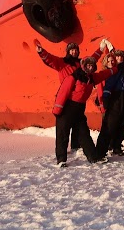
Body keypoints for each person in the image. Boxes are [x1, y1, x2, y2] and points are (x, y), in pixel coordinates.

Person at [35, 38, 112, 167]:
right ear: (67, 51)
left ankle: (92, 156)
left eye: (76, 50)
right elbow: (50, 60)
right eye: (72, 50)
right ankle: (61, 159)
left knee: (83, 132)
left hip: (79, 105)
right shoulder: (63, 64)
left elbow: (92, 60)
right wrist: (41, 51)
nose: (74, 52)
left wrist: (100, 49)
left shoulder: (83, 67)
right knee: (63, 133)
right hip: (67, 102)